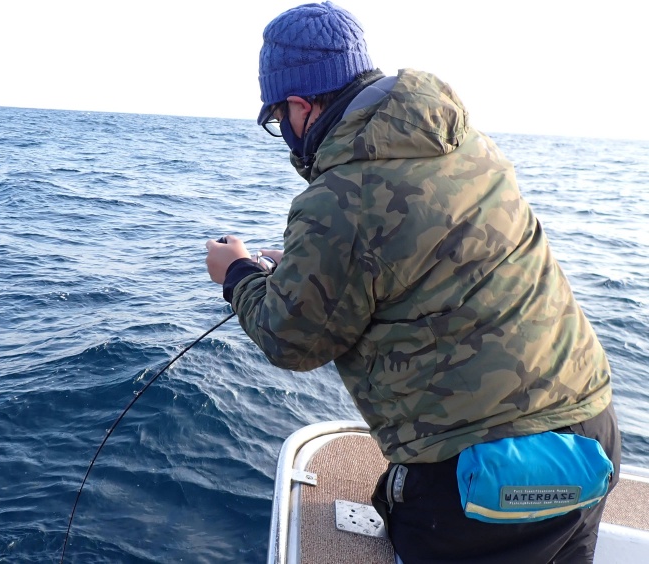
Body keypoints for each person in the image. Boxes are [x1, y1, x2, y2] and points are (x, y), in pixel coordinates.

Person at [204, 3, 620, 563]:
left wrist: (236, 274)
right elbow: (415, 261)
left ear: (300, 107)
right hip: (592, 434)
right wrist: (308, 269)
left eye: (279, 118)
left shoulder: (339, 199)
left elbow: (291, 338)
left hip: (487, 480)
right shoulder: (467, 142)